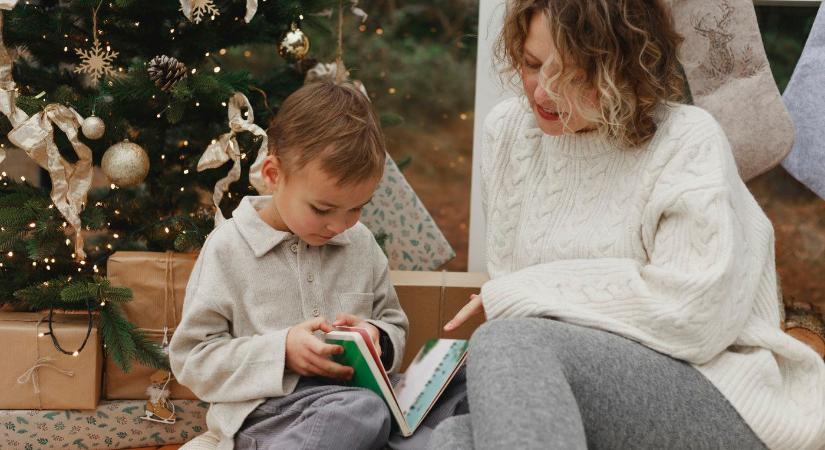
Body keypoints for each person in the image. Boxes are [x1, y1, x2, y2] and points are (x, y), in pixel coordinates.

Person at [432, 1, 825, 449]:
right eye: (532, 64)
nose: (543, 93)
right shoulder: (508, 134)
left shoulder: (687, 141)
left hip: (719, 392)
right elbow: (522, 288)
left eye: (575, 76)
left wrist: (527, 291)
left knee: (509, 341)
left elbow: (694, 320)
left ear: (627, 70)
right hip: (592, 388)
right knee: (454, 439)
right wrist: (527, 295)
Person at [169, 81, 409, 450]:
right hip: (268, 415)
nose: (340, 225)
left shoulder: (360, 244)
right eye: (322, 209)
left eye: (357, 207)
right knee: (362, 413)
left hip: (354, 406)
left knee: (456, 392)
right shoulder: (228, 249)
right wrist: (282, 353)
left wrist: (378, 338)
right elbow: (192, 361)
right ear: (273, 174)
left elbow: (393, 322)